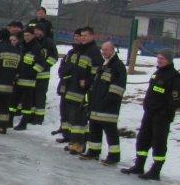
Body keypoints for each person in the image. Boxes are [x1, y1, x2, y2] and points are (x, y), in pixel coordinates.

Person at [121, 50, 180, 180]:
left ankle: (155, 170)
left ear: (169, 60)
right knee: (143, 139)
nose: (159, 60)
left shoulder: (174, 77)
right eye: (158, 58)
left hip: (162, 117)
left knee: (158, 142)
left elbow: (175, 100)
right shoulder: (157, 73)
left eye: (162, 58)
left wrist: (163, 112)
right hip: (149, 113)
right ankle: (139, 165)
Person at [79, 42, 127, 165]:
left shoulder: (118, 66)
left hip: (108, 108)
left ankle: (114, 156)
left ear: (113, 50)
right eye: (102, 50)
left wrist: (105, 102)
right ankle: (93, 151)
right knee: (94, 129)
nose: (103, 52)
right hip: (96, 106)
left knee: (111, 132)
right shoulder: (104, 65)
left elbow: (117, 89)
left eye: (106, 50)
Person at [62, 26, 100, 154]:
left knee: (79, 118)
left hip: (83, 91)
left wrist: (87, 82)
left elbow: (96, 72)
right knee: (73, 118)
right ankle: (73, 142)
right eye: (81, 35)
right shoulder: (80, 50)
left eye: (85, 36)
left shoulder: (94, 51)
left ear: (92, 36)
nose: (83, 38)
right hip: (73, 89)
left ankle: (79, 144)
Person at [11, 26, 45, 130]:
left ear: (33, 35)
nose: (26, 37)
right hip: (18, 79)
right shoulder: (21, 45)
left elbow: (41, 65)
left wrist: (31, 73)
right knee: (13, 102)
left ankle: (24, 123)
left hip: (29, 81)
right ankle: (9, 120)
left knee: (26, 104)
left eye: (28, 35)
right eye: (25, 35)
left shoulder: (37, 48)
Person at [53, 29, 83, 142]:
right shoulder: (70, 52)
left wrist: (67, 72)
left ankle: (72, 136)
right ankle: (65, 134)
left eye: (78, 36)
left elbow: (74, 69)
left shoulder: (82, 53)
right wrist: (63, 72)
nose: (76, 38)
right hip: (65, 85)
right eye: (75, 36)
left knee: (72, 113)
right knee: (64, 110)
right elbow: (63, 66)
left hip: (73, 87)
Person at [31, 24, 59, 125]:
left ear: (43, 31)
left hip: (43, 75)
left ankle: (39, 118)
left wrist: (43, 66)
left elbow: (54, 57)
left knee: (40, 97)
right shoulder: (33, 42)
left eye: (38, 30)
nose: (36, 32)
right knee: (32, 96)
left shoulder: (49, 42)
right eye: (35, 30)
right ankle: (31, 116)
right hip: (32, 74)